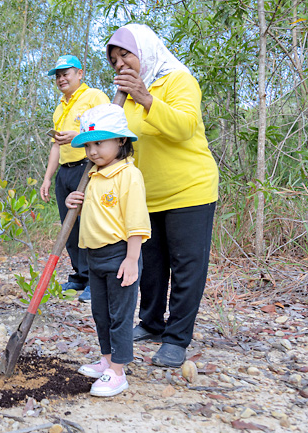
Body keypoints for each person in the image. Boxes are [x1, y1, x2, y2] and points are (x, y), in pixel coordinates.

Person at [106, 24, 219, 367]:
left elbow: (184, 127)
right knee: (151, 267)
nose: (120, 64)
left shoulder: (178, 80)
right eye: (113, 60)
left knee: (187, 267)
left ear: (144, 50)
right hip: (148, 195)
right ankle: (152, 323)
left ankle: (176, 338)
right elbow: (121, 145)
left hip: (190, 190)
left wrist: (144, 97)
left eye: (125, 54)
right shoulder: (124, 96)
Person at [65, 104, 151, 397]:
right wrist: (74, 201)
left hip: (119, 255)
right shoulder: (92, 176)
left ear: (121, 141)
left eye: (99, 143)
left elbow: (137, 221)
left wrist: (131, 259)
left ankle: (118, 371)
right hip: (94, 256)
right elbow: (94, 212)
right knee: (100, 312)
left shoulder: (129, 175)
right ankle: (106, 359)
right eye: (88, 145)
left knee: (120, 315)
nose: (92, 151)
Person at [39, 55, 110, 303]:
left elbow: (107, 130)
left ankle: (96, 280)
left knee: (90, 224)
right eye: (57, 75)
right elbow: (56, 146)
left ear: (80, 73)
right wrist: (48, 178)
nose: (61, 78)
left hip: (88, 166)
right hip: (65, 171)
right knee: (70, 227)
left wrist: (78, 134)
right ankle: (80, 276)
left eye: (66, 73)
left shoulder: (94, 97)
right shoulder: (60, 106)